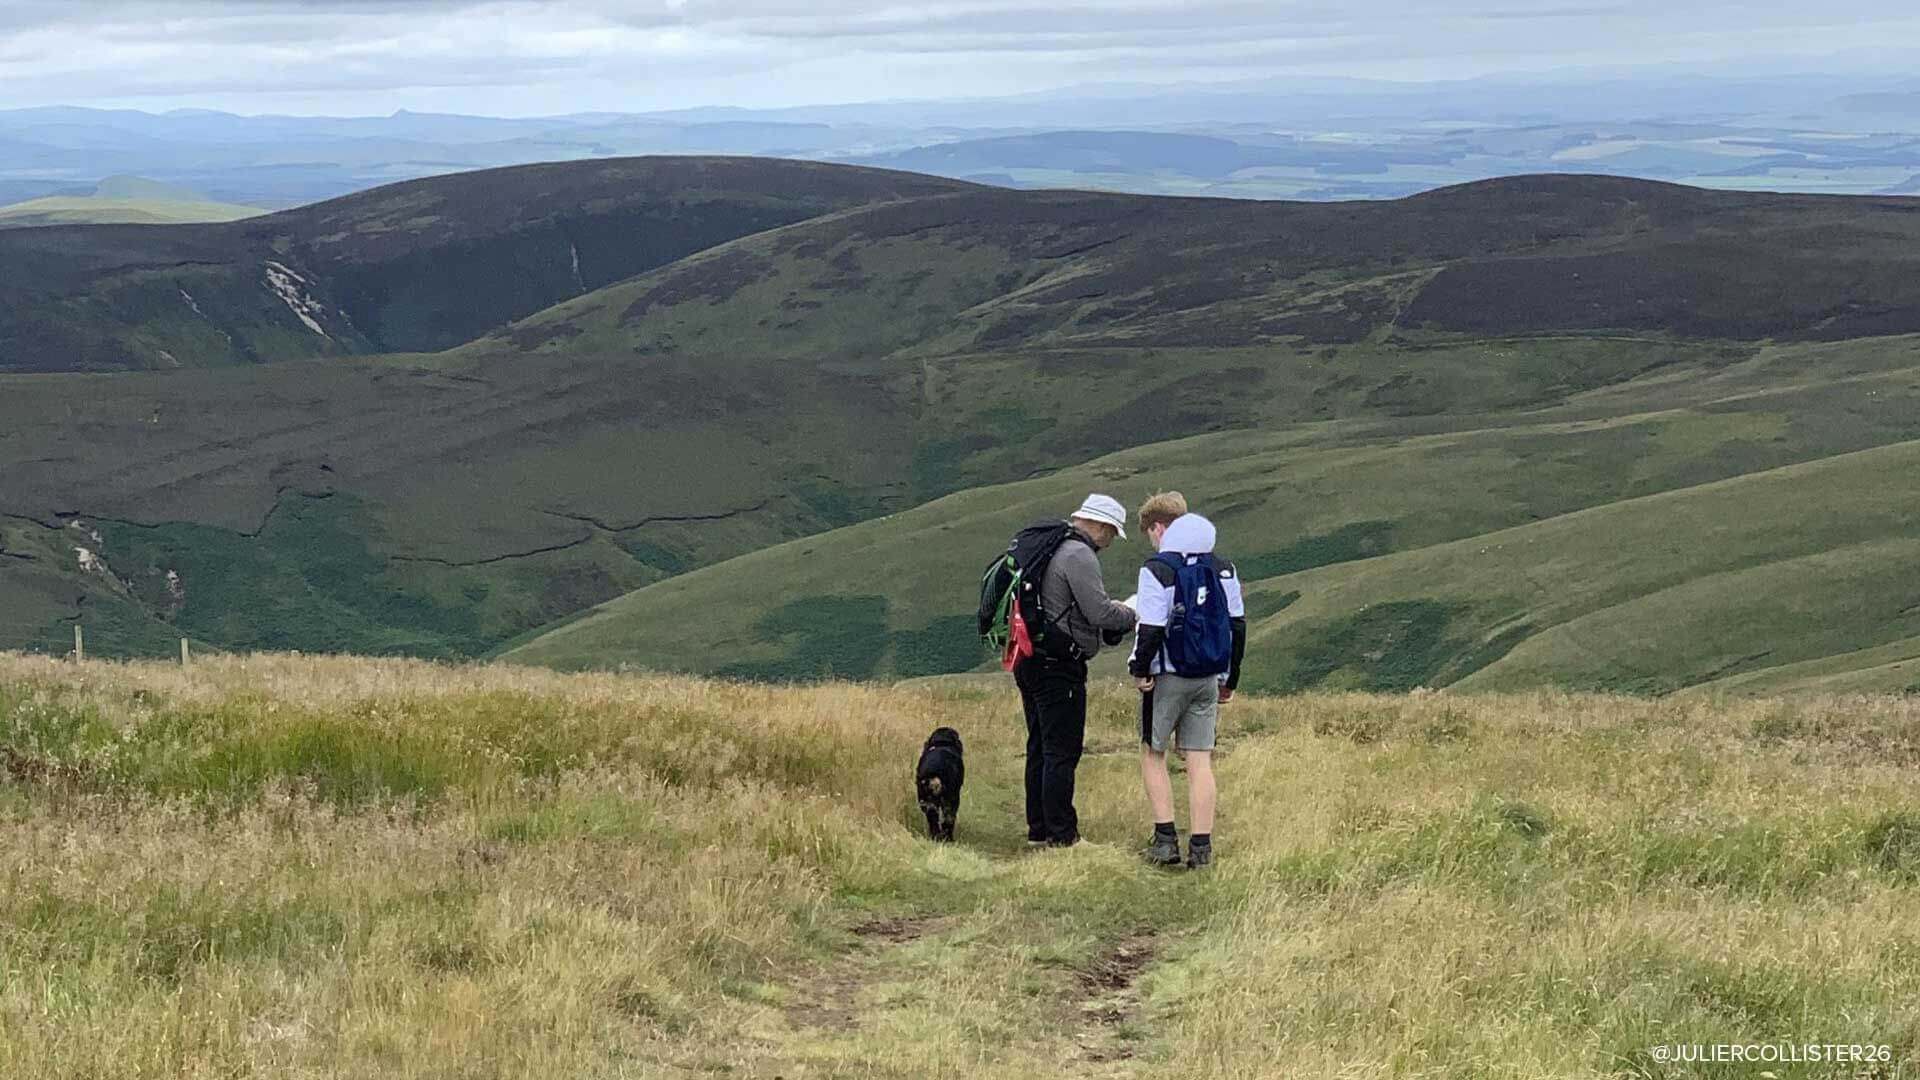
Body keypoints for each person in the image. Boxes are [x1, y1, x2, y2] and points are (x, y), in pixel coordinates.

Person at [1129, 492, 1246, 869]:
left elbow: (1150, 627)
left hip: (1167, 674)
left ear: (1159, 528)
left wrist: (1140, 669)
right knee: (1200, 760)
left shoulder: (1157, 568)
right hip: (1209, 674)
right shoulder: (1223, 568)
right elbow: (1236, 625)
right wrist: (1230, 678)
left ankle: (1165, 841)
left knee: (1153, 753)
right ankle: (1201, 848)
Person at [1015, 493, 1138, 847]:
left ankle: (1038, 828)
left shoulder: (1049, 547)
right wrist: (1132, 613)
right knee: (1062, 750)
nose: (1110, 542)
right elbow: (1100, 614)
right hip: (1059, 664)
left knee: (1039, 744)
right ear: (1099, 525)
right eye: (1111, 533)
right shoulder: (1078, 554)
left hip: (1030, 656)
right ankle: (1062, 834)